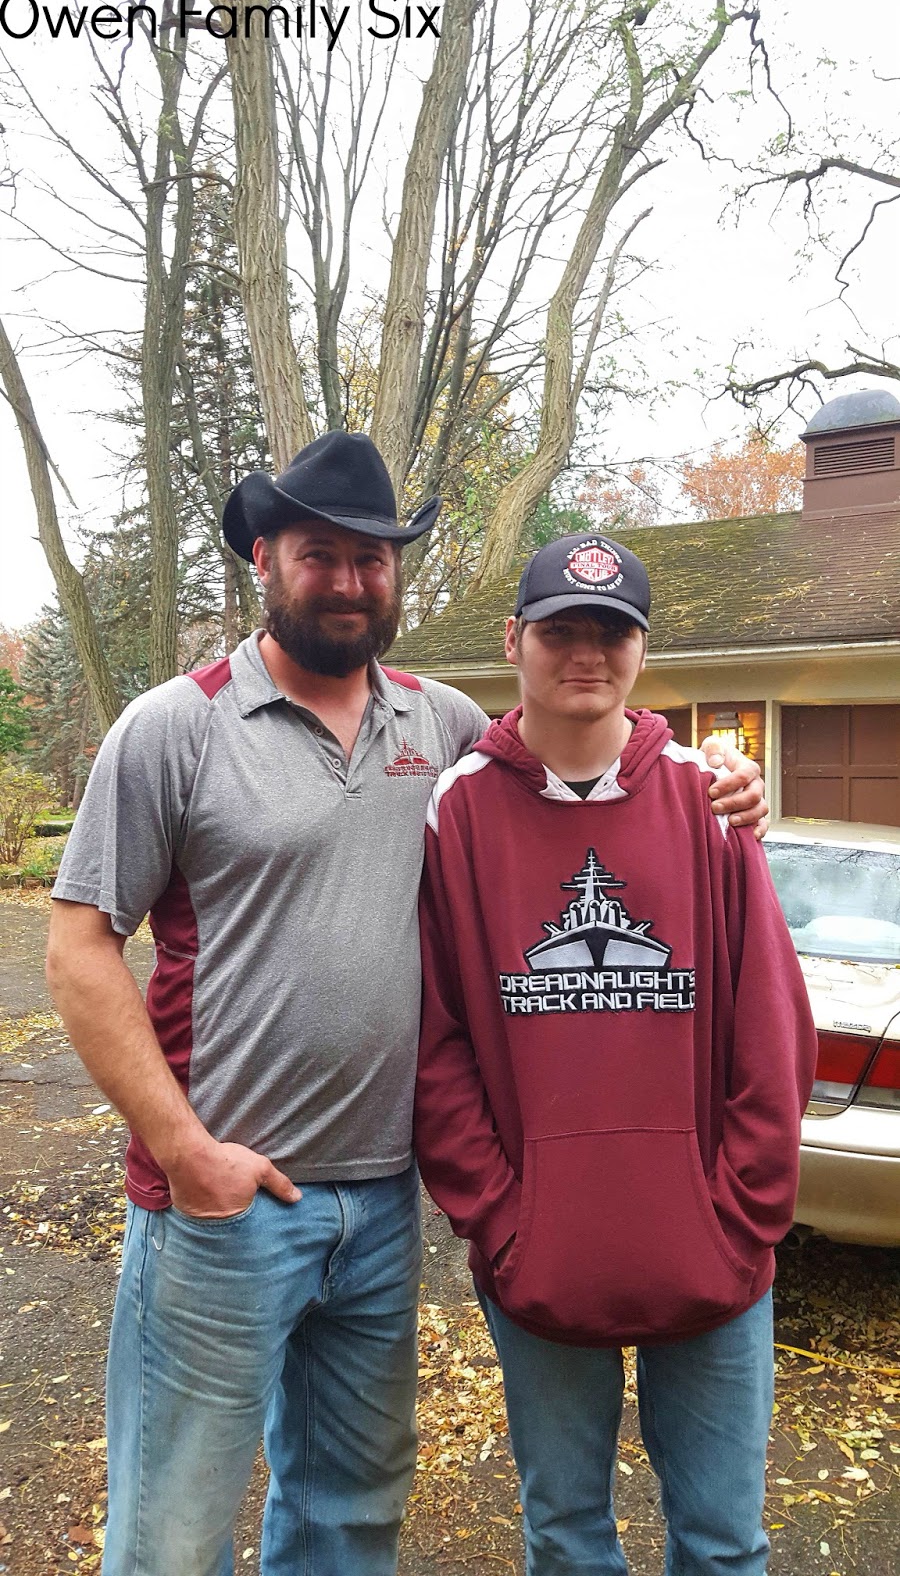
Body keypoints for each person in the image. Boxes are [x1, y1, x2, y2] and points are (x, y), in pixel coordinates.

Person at [45, 443, 769, 1576]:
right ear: (262, 559)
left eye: (371, 559)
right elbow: (79, 946)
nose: (348, 580)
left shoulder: (441, 728)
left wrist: (719, 769)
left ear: (396, 575)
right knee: (174, 1533)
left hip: (380, 1206)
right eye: (319, 555)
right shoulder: (174, 727)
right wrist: (184, 1151)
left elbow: (581, 748)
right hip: (223, 1205)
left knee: (348, 1515)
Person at [414, 532, 818, 1576]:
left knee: (724, 1543)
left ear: (643, 649)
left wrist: (743, 1213)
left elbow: (772, 1028)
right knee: (565, 1537)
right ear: (514, 640)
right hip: (541, 1259)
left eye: (612, 631)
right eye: (561, 630)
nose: (586, 653)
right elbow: (436, 1038)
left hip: (715, 1256)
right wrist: (500, 1218)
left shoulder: (708, 801)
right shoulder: (458, 807)